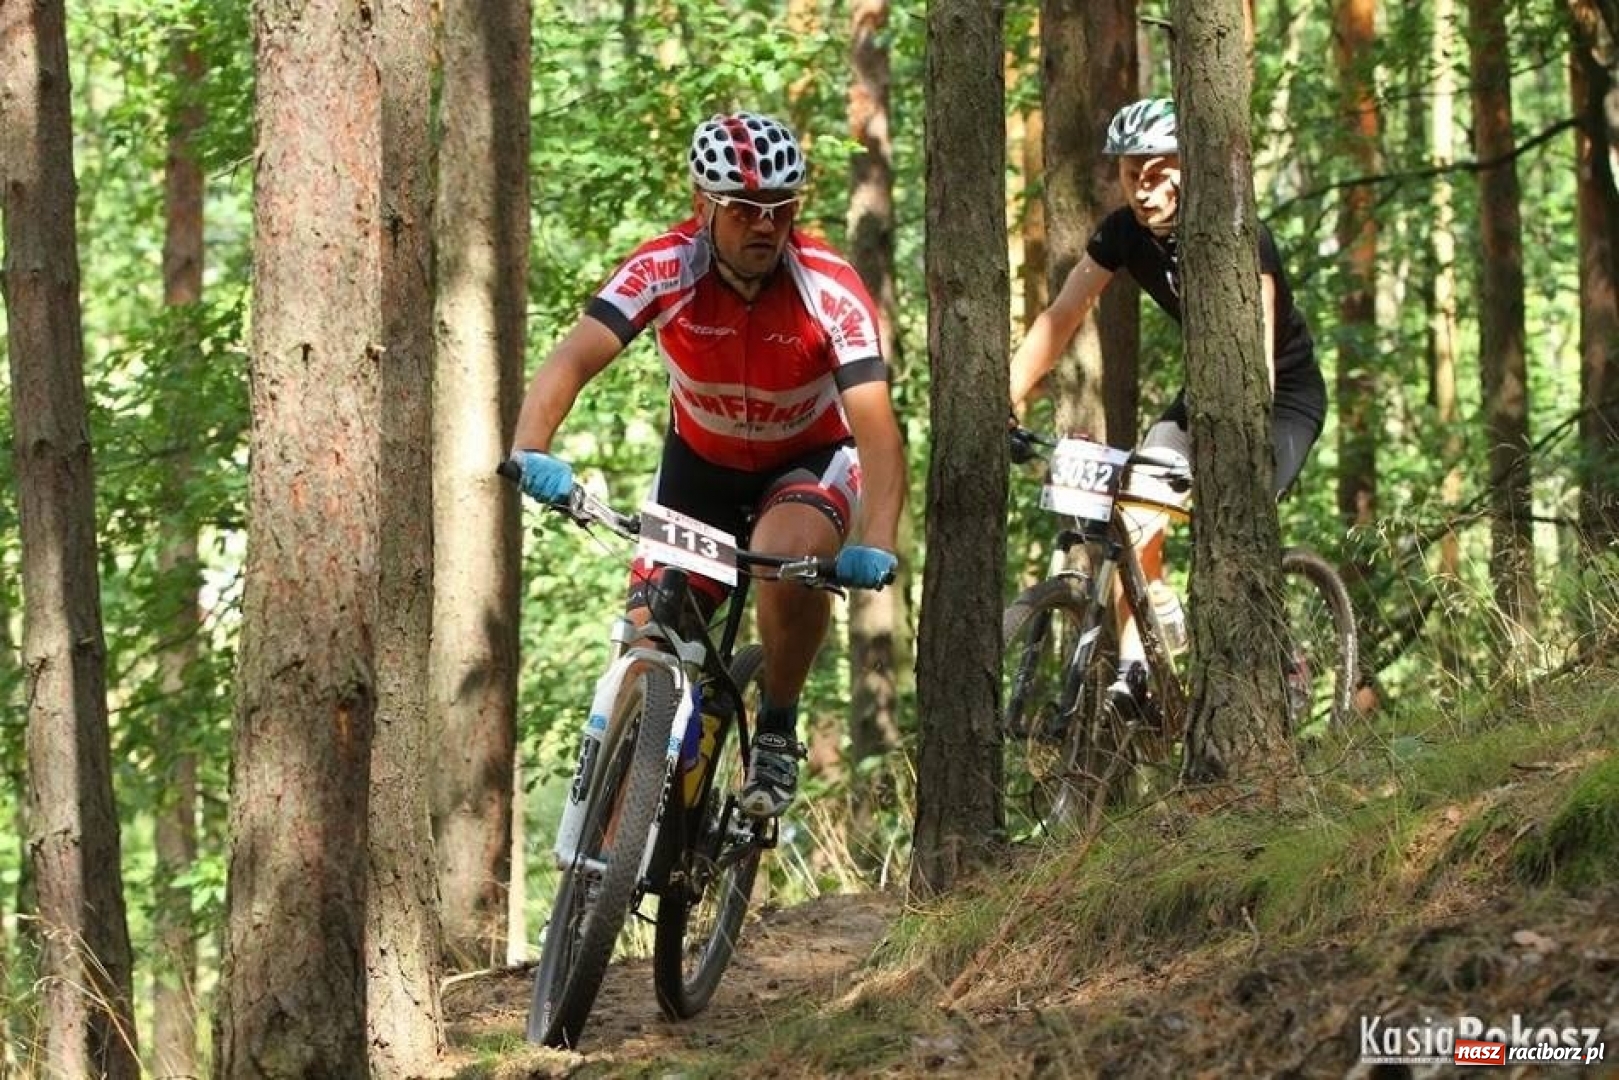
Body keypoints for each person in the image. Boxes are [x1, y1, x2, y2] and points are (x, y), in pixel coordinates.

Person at [508, 111, 906, 819]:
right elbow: (573, 358)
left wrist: (874, 540)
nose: (764, 225)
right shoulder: (665, 266)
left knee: (786, 558)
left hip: (805, 462)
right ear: (701, 206)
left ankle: (776, 727)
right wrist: (531, 449)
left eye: (780, 209)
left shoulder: (828, 287)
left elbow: (876, 430)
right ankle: (612, 845)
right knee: (647, 634)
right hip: (700, 465)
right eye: (744, 209)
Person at [1008, 96, 1327, 712]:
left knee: (1232, 514)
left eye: (1158, 172)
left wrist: (1234, 440)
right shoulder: (1123, 233)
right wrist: (1006, 398)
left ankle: (1281, 658)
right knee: (1134, 509)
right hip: (1205, 393)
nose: (1144, 189)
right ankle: (1137, 663)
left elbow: (1257, 344)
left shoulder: (1239, 230)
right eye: (1132, 174)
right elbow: (1063, 314)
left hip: (1281, 395)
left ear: (1190, 167)